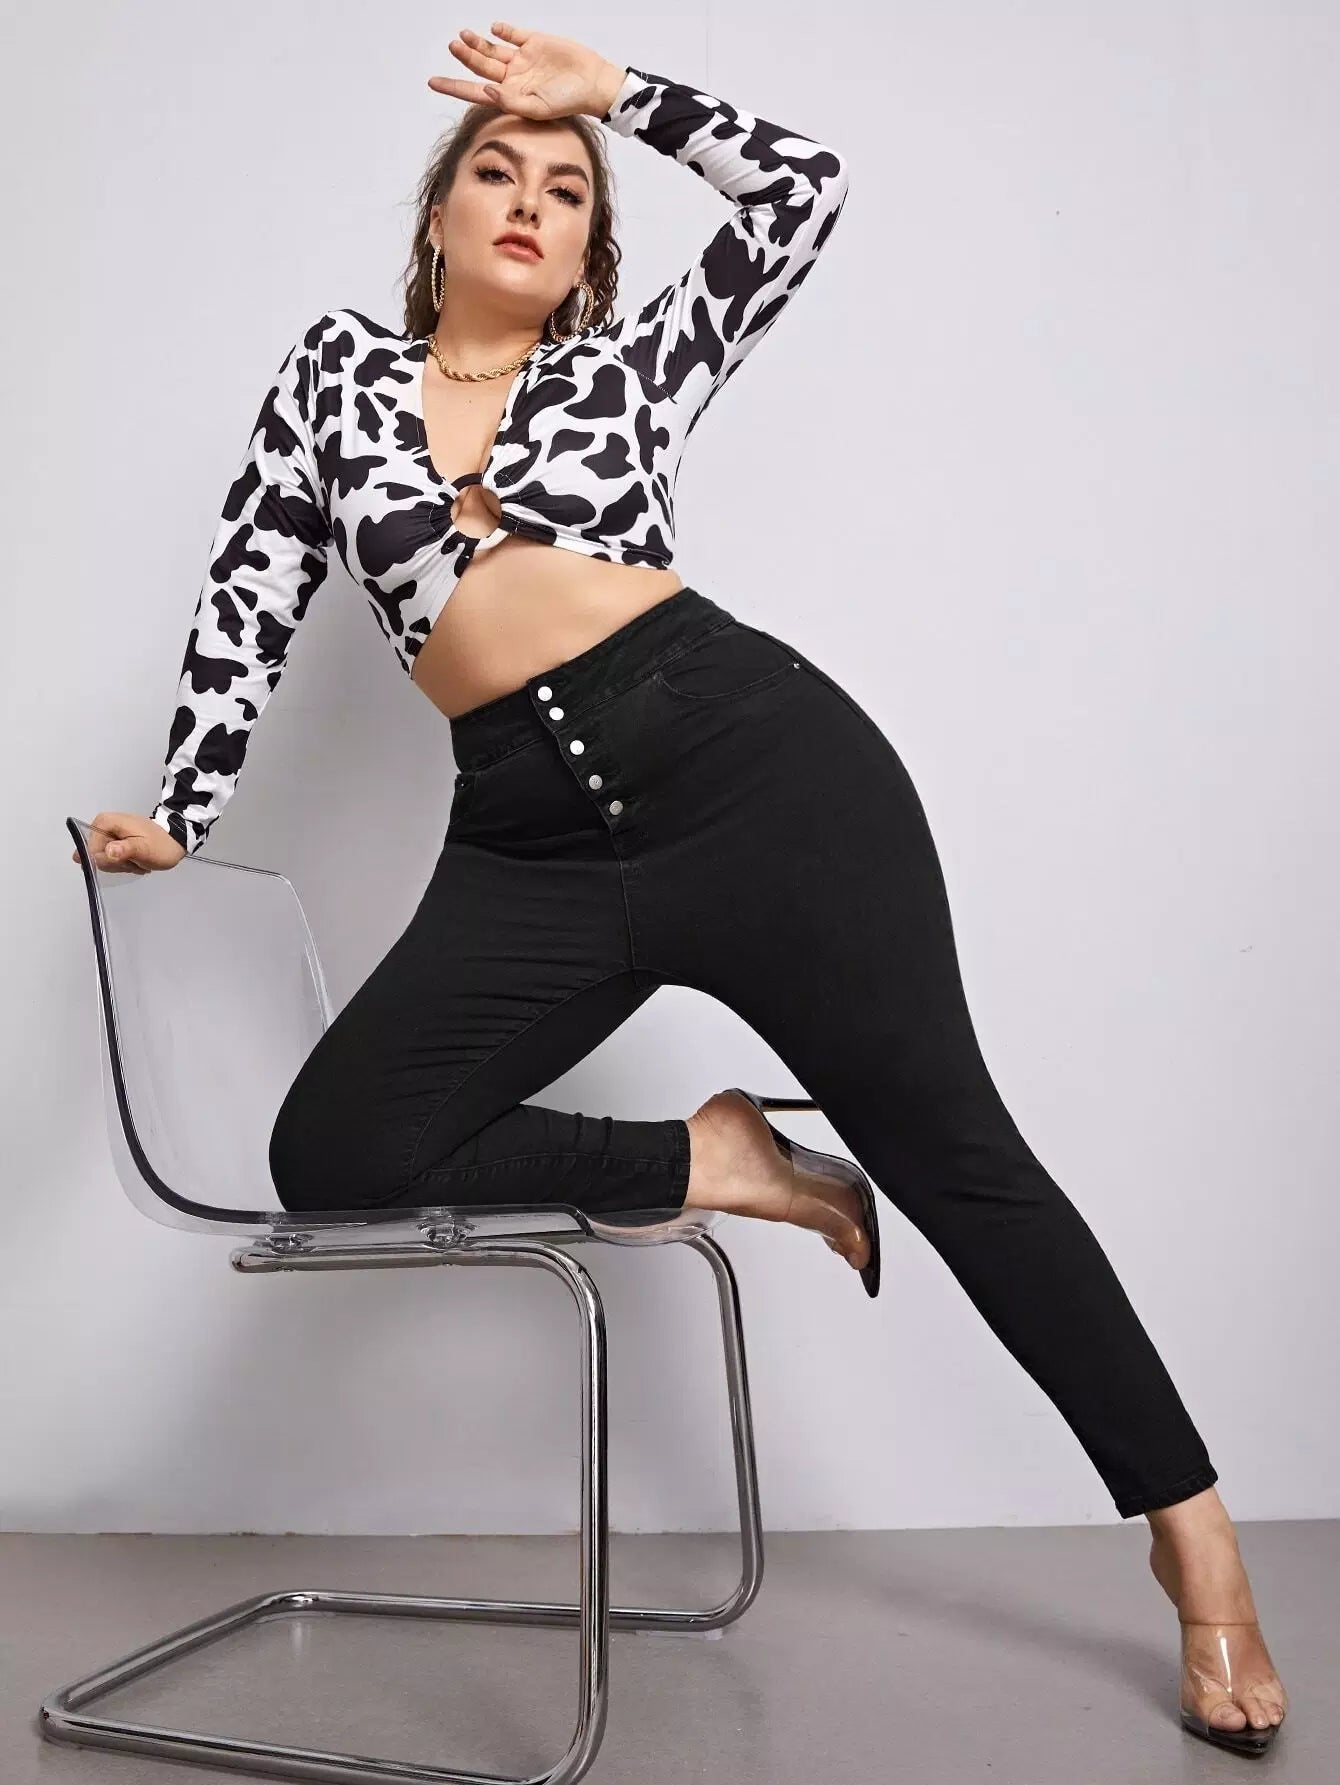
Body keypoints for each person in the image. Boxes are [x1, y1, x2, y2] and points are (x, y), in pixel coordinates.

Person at [75, 20, 1288, 1754]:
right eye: (497, 170)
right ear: (439, 218)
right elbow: (248, 586)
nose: (529, 197)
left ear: (588, 250)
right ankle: (715, 1161)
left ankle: (1195, 1531)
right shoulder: (331, 375)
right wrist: (183, 810)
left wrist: (619, 98)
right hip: (533, 842)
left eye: (565, 188)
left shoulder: (635, 366)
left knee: (960, 1155)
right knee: (336, 1148)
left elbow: (805, 193)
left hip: (760, 779)